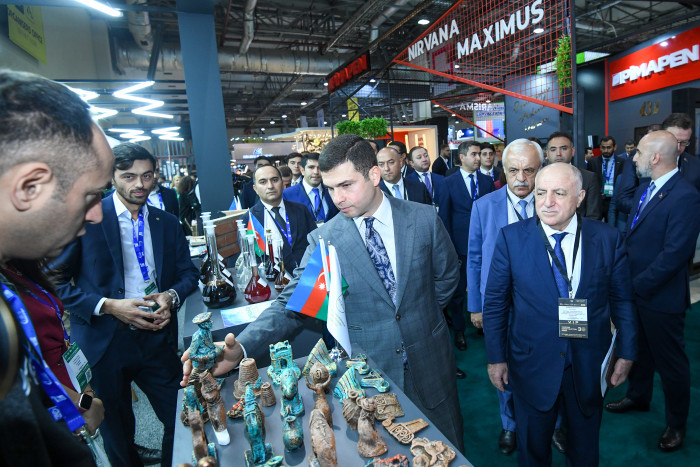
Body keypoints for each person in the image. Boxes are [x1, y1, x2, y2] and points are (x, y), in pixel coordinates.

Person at [181, 133, 465, 451]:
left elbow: (447, 278)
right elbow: (292, 304)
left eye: (346, 185)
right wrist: (242, 347)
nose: (337, 198)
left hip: (431, 361)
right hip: (370, 374)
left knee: (449, 449)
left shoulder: (424, 219)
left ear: (374, 175)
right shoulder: (326, 240)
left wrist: (418, 314)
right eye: (330, 188)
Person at [53, 143, 199, 467]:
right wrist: (108, 306)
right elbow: (56, 284)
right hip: (105, 343)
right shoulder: (88, 220)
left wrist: (170, 296)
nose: (140, 184)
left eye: (147, 175)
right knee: (118, 435)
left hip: (157, 338)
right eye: (129, 176)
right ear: (112, 177)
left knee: (183, 416)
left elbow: (189, 273)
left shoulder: (166, 221)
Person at [483, 162, 637, 466]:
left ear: (580, 197)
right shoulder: (511, 238)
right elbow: (496, 304)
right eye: (541, 193)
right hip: (532, 363)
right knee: (532, 450)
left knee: (584, 450)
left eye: (559, 193)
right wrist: (496, 358)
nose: (547, 202)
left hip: (588, 363)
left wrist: (627, 353)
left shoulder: (608, 238)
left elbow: (623, 300)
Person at [0, 69, 114, 465]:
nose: (97, 215)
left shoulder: (16, 267)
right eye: (90, 197)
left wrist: (78, 404)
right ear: (29, 187)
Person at [605, 130, 700, 452]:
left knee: (671, 363)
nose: (634, 158)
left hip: (661, 298)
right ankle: (638, 396)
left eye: (639, 153)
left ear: (656, 157)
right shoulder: (647, 188)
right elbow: (631, 237)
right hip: (636, 292)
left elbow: (675, 255)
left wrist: (634, 287)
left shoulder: (685, 196)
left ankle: (676, 423)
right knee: (640, 350)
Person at [467, 138, 545, 456]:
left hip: (544, 305)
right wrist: (475, 306)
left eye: (529, 170)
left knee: (549, 364)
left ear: (541, 170)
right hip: (499, 304)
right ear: (503, 169)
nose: (521, 178)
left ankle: (552, 423)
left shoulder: (553, 202)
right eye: (513, 170)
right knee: (502, 365)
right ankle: (510, 424)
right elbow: (474, 258)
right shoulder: (484, 206)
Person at [439, 141, 496, 352]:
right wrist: (450, 248)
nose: (478, 158)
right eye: (474, 154)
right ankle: (460, 330)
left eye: (479, 154)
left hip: (485, 243)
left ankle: (485, 324)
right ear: (461, 157)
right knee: (458, 292)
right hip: (460, 246)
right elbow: (444, 218)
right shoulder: (448, 183)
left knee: (486, 286)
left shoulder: (487, 181)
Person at [616, 113, 700, 217]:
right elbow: (623, 201)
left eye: (684, 143)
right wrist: (656, 207)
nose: (678, 147)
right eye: (674, 140)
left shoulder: (696, 166)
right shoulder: (637, 161)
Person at [241, 165, 317, 270]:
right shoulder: (248, 220)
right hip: (275, 277)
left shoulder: (301, 210)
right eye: (263, 182)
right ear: (255, 189)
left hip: (308, 272)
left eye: (275, 180)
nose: (270, 186)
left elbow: (315, 243)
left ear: (282, 183)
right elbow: (253, 261)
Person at [546, 131, 603, 220]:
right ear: (547, 153)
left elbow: (593, 217)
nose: (558, 153)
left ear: (572, 151)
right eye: (553, 149)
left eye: (564, 148)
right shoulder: (539, 179)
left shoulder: (589, 178)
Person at [283, 152, 339, 223]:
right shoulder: (288, 194)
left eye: (319, 168)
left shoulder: (332, 190)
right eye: (311, 167)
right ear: (302, 170)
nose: (316, 172)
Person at [586, 135, 625, 221]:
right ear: (600, 147)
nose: (606, 150)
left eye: (609, 147)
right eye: (603, 147)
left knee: (611, 225)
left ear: (615, 147)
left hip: (613, 200)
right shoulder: (593, 162)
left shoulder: (622, 162)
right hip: (597, 200)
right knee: (595, 225)